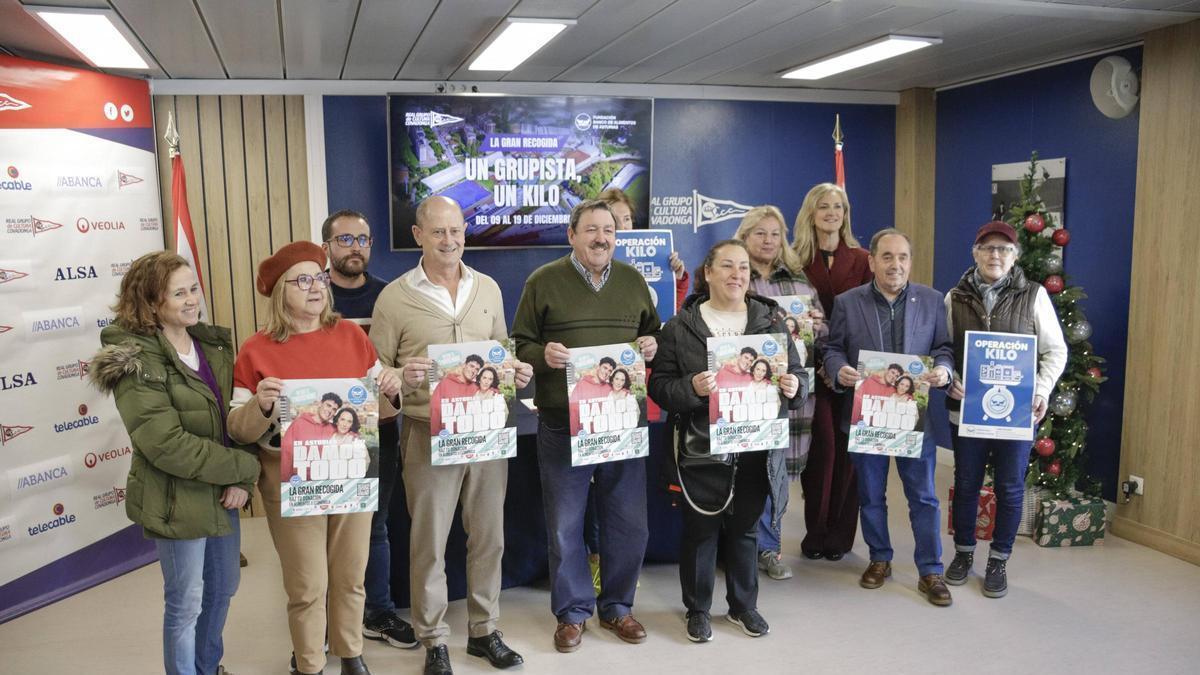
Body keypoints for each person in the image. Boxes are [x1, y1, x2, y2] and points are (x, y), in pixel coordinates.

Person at [370, 195, 532, 675]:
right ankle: (434, 638)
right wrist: (400, 376)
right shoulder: (394, 297)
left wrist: (516, 370)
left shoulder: (488, 288)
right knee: (429, 541)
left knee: (489, 537)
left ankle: (484, 630)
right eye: (438, 231)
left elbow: (503, 349)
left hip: (486, 431)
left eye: (456, 231)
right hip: (426, 432)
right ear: (418, 235)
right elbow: (372, 370)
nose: (449, 240)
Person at [225, 241, 403, 675]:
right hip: (291, 482)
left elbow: (376, 406)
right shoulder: (255, 349)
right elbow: (236, 426)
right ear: (281, 291)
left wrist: (394, 390)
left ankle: (351, 654)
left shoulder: (351, 336)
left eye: (319, 278)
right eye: (302, 280)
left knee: (350, 576)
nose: (315, 287)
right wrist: (261, 406)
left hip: (351, 474)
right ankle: (309, 664)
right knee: (308, 584)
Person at [90, 252, 260, 675]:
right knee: (186, 602)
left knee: (223, 589)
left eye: (193, 289)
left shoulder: (211, 344)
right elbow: (165, 444)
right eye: (178, 293)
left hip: (222, 490)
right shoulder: (134, 359)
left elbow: (233, 420)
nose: (191, 300)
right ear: (150, 303)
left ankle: (208, 667)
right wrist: (241, 469)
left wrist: (240, 475)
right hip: (175, 497)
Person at [512, 199, 660, 653]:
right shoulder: (543, 281)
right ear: (572, 235)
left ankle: (618, 607)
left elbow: (653, 335)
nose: (601, 238)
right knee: (564, 525)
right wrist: (543, 355)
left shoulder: (635, 282)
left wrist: (652, 345)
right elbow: (518, 343)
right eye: (592, 229)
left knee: (629, 523)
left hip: (622, 424)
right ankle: (573, 613)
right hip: (563, 424)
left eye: (609, 231)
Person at [648, 239, 806, 643]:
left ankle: (743, 606)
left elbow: (800, 378)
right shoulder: (680, 327)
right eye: (728, 267)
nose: (737, 275)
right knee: (700, 531)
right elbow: (660, 388)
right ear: (709, 273)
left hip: (755, 446)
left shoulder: (770, 322)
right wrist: (693, 387)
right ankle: (698, 609)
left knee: (745, 529)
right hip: (701, 446)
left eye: (744, 268)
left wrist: (792, 387)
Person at [823, 228, 956, 607]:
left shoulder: (931, 301)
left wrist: (944, 372)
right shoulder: (848, 302)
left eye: (902, 257)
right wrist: (840, 370)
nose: (895, 265)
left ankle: (930, 569)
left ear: (910, 262)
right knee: (870, 495)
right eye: (887, 257)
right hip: (868, 416)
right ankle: (880, 558)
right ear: (872, 261)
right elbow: (833, 350)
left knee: (924, 497)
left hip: (915, 418)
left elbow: (943, 348)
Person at [943, 220, 1067, 598]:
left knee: (1010, 488)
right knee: (966, 485)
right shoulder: (955, 297)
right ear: (975, 253)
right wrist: (950, 377)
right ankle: (964, 554)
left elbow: (1056, 350)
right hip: (967, 412)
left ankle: (998, 560)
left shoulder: (1034, 295)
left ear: (1014, 257)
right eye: (987, 248)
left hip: (1016, 416)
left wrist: (1042, 390)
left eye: (1003, 249)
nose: (995, 255)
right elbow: (943, 350)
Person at [320, 209, 417, 650]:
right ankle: (322, 618)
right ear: (327, 247)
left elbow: (391, 364)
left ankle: (378, 611)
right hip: (320, 435)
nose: (354, 247)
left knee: (376, 524)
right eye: (344, 240)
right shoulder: (309, 293)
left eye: (362, 239)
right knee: (321, 527)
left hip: (377, 431)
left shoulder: (389, 297)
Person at [734, 205, 825, 579]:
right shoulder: (736, 278)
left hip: (790, 392)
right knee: (747, 470)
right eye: (760, 233)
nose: (769, 240)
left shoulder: (802, 286)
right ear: (744, 237)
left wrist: (818, 326)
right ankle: (740, 546)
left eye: (775, 233)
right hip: (746, 391)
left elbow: (821, 341)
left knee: (780, 471)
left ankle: (768, 548)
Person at [791, 183, 873, 561]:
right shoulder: (793, 260)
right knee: (822, 449)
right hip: (810, 368)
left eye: (838, 206)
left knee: (850, 455)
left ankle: (841, 537)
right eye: (823, 206)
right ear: (811, 212)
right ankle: (816, 532)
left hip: (854, 369)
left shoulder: (862, 258)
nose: (831, 212)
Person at [598, 186, 689, 307]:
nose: (622, 227)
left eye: (627, 219)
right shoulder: (589, 260)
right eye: (614, 220)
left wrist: (674, 279)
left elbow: (665, 312)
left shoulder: (650, 255)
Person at [280, 392, 341, 480]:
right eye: (328, 405)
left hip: (325, 483)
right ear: (320, 403)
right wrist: (285, 482)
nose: (330, 411)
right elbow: (286, 454)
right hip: (300, 482)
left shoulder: (333, 429)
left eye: (334, 409)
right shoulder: (299, 424)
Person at [430, 355, 484, 434]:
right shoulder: (445, 384)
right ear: (464, 365)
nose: (473, 371)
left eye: (477, 369)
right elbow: (435, 412)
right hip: (447, 437)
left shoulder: (476, 388)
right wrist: (435, 438)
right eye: (471, 366)